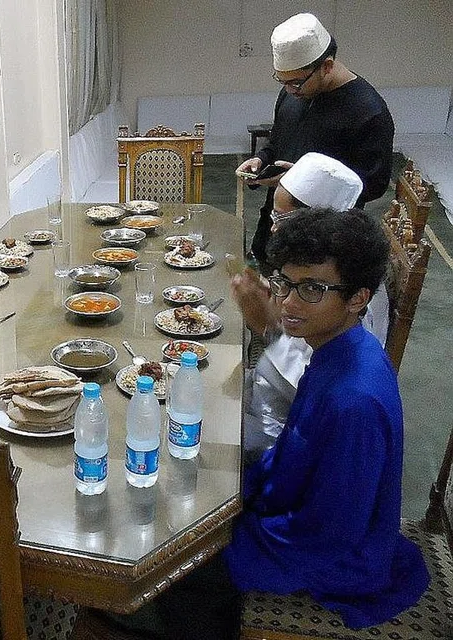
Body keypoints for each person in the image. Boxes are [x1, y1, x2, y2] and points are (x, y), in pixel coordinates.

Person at [226, 208, 429, 629]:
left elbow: (328, 533)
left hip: (336, 558)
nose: (286, 302)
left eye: (312, 289)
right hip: (311, 521)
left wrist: (237, 531)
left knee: (193, 562)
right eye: (283, 282)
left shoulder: (353, 401)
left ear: (358, 297)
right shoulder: (340, 348)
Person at [232, 152, 389, 456]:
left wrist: (267, 326)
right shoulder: (330, 269)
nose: (274, 229)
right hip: (269, 394)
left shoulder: (354, 295)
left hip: (286, 429)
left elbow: (308, 386)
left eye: (283, 219)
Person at [236, 12, 394, 264]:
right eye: (282, 81)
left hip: (323, 244)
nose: (289, 90)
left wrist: (304, 183)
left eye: (296, 83)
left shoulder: (368, 111)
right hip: (274, 227)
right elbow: (279, 140)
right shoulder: (292, 94)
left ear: (327, 66)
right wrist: (261, 159)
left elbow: (372, 184)